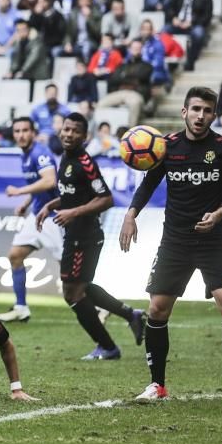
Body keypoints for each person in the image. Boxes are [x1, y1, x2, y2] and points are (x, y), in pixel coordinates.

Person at [119, 87, 222, 403]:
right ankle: (157, 385)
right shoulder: (165, 147)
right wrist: (131, 215)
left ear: (214, 114)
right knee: (157, 309)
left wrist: (219, 214)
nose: (201, 116)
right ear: (184, 111)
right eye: (195, 109)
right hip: (175, 242)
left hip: (215, 240)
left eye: (207, 111)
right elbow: (147, 186)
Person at [35, 113, 145, 358]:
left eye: (75, 131)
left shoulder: (85, 162)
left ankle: (107, 346)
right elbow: (73, 194)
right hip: (76, 234)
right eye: (66, 129)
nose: (69, 134)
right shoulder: (66, 158)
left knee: (72, 293)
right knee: (80, 288)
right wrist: (50, 205)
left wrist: (73, 213)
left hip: (84, 237)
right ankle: (131, 315)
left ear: (84, 137)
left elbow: (106, 199)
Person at [0, 117, 60, 323]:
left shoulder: (39, 152)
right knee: (15, 256)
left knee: (71, 274)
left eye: (25, 130)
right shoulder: (25, 155)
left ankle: (99, 307)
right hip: (36, 214)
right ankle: (21, 307)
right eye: (17, 131)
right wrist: (26, 202)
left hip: (54, 218)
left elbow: (50, 180)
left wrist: (19, 191)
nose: (21, 135)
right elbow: (39, 184)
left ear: (33, 132)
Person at [163, 0, 212, 71]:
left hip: (193, 25)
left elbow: (207, 16)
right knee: (163, 32)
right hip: (177, 23)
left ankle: (191, 59)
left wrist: (192, 22)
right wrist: (173, 18)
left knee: (198, 34)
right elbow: (169, 7)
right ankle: (168, 59)